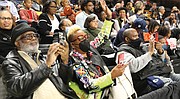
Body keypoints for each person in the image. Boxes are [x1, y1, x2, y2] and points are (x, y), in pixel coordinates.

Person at [0, 23, 79, 99]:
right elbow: (17, 89)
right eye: (28, 36)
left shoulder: (42, 57)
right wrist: (46, 65)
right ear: (17, 43)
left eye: (35, 35)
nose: (33, 38)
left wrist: (65, 60)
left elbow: (65, 81)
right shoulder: (10, 62)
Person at [67, 25, 134, 99]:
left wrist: (108, 19)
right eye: (81, 38)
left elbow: (102, 37)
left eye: (85, 36)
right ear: (72, 44)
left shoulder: (90, 49)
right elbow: (89, 85)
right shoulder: (75, 62)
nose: (85, 39)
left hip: (108, 88)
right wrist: (111, 76)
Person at [116, 28, 180, 96]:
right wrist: (149, 53)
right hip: (148, 78)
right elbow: (133, 67)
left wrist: (160, 52)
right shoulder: (122, 52)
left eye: (137, 35)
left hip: (164, 72)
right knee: (174, 87)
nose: (138, 38)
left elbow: (161, 60)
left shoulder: (144, 47)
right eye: (134, 36)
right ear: (127, 39)